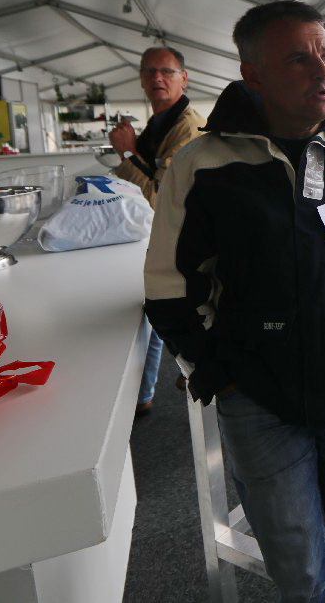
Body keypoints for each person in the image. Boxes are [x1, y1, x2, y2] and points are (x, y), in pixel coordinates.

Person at [144, 0, 325, 603]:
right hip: (258, 391)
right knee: (299, 567)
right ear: (254, 75)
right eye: (298, 59)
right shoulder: (203, 165)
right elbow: (169, 286)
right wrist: (218, 369)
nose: (323, 71)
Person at [108, 46, 207, 415]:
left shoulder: (188, 127)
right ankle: (145, 391)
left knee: (171, 306)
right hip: (165, 237)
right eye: (149, 71)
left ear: (184, 78)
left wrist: (126, 154)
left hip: (186, 242)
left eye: (166, 71)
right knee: (152, 307)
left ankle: (196, 371)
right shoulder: (160, 123)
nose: (157, 78)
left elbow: (157, 198)